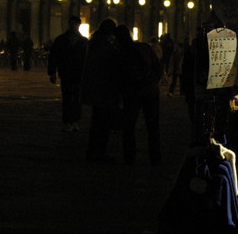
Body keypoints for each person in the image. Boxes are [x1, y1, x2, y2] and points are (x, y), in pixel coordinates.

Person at [115, 24, 162, 168]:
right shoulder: (144, 47)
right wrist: (153, 82)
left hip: (132, 92)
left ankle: (129, 157)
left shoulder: (121, 53)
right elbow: (158, 67)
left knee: (128, 126)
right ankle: (155, 157)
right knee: (152, 126)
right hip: (150, 90)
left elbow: (119, 76)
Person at [81, 18, 120, 161]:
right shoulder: (105, 46)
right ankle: (99, 151)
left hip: (95, 88)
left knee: (97, 121)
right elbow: (109, 67)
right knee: (103, 123)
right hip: (104, 89)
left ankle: (93, 150)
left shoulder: (94, 43)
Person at [47, 16, 89, 132]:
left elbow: (87, 59)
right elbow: (54, 57)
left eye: (75, 24)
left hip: (78, 73)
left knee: (76, 98)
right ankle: (67, 121)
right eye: (72, 24)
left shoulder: (82, 41)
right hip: (66, 72)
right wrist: (52, 72)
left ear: (78, 25)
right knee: (67, 98)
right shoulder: (62, 40)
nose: (73, 26)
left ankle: (75, 121)